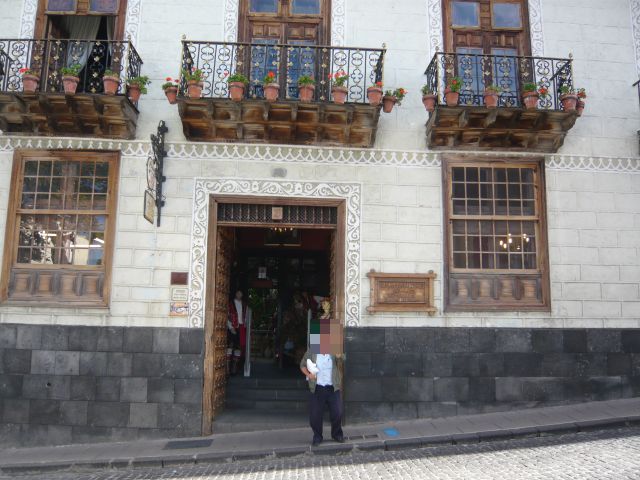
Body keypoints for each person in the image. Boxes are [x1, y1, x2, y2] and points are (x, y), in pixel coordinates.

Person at [299, 298, 345, 447]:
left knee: (337, 413)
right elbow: (302, 365)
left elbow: (343, 359)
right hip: (317, 387)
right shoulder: (313, 350)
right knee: (315, 416)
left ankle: (337, 433)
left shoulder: (335, 349)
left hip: (333, 387)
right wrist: (309, 374)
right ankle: (317, 436)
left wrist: (339, 356)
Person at [227, 289, 251, 375]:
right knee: (230, 346)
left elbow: (247, 317)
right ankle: (227, 368)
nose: (239, 295)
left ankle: (234, 367)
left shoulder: (245, 305)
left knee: (238, 347)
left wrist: (246, 326)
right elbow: (227, 316)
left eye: (240, 293)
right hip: (232, 328)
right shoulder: (230, 304)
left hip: (241, 328)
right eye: (238, 293)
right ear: (235, 294)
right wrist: (230, 327)